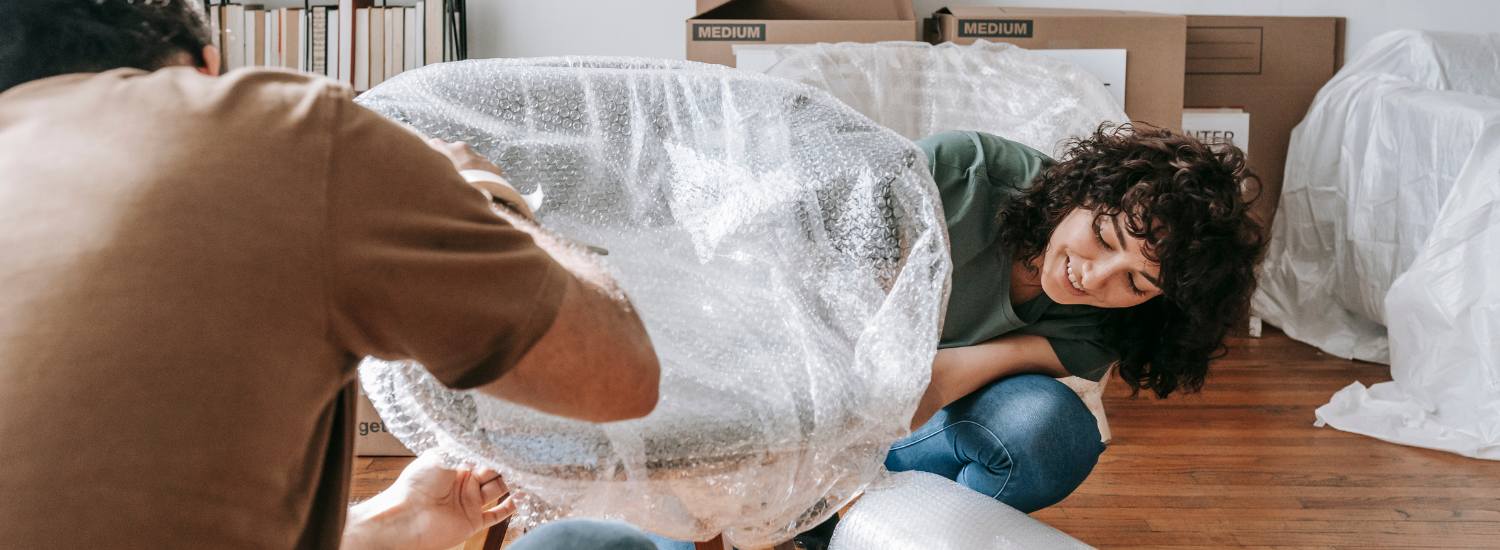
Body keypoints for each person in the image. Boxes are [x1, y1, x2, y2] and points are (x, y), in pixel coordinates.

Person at [0, 1, 659, 548]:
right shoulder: (275, 127)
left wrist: (395, 522)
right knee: (602, 543)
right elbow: (620, 376)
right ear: (207, 70)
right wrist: (481, 190)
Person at [885, 127, 1264, 515]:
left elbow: (939, 380)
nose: (1094, 278)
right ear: (1087, 191)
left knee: (1053, 433)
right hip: (834, 388)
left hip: (910, 419)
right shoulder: (960, 174)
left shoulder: (1113, 326)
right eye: (1103, 236)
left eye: (1135, 282)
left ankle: (919, 529)